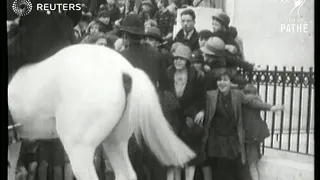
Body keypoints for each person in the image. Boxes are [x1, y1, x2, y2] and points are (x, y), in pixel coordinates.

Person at [197, 71, 284, 180]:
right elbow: (201, 104)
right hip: (216, 141)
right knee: (220, 173)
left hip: (232, 141)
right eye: (219, 80)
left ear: (230, 82)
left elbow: (251, 102)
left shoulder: (237, 95)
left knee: (238, 172)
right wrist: (202, 111)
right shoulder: (211, 95)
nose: (222, 83)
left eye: (225, 80)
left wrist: (271, 107)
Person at [119, 13, 164, 180]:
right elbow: (165, 85)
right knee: (154, 162)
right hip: (152, 113)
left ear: (125, 35)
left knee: (133, 161)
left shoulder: (122, 56)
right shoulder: (156, 55)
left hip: (131, 116)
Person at [162, 45, 205, 180]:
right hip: (172, 119)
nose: (178, 61)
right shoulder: (168, 74)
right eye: (175, 59)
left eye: (181, 59)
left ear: (187, 60)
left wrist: (199, 111)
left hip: (189, 120)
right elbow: (164, 94)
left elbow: (201, 97)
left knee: (189, 156)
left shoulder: (196, 75)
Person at [242, 84, 276, 180]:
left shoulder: (247, 101)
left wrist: (272, 107)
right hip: (255, 136)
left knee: (251, 165)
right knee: (253, 164)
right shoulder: (254, 101)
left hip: (249, 137)